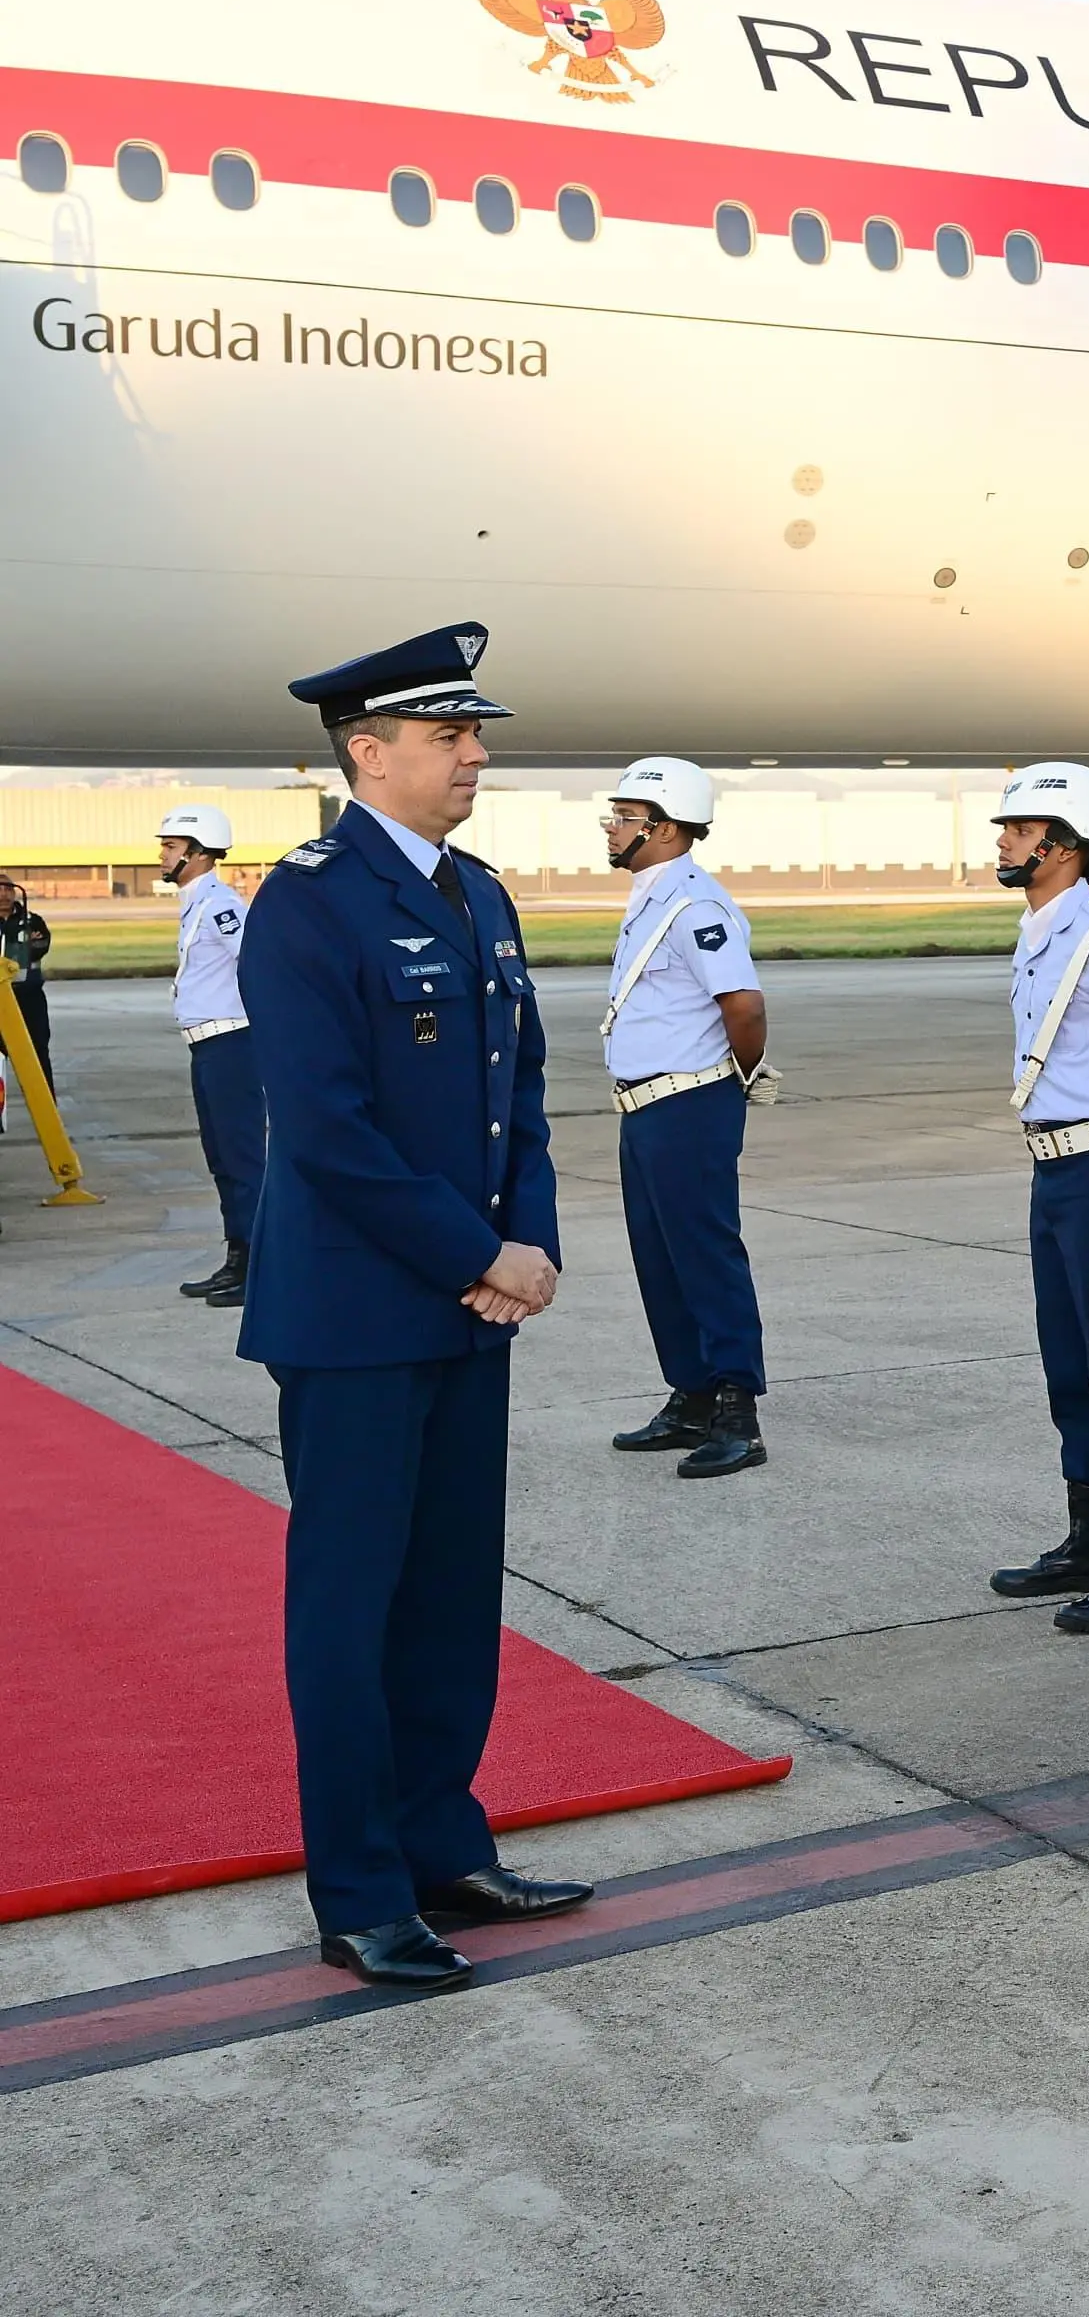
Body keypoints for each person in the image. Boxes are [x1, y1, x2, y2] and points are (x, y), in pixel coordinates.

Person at [241, 622, 587, 1990]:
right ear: (367, 751)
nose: (476, 756)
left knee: (448, 1597)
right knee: (350, 1606)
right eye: (450, 738)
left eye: (474, 735)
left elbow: (522, 1105)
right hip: (356, 1320)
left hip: (467, 1306)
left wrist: (532, 1242)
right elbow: (324, 1130)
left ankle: (443, 1842)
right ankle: (362, 1890)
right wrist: (476, 1254)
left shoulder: (480, 896)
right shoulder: (307, 902)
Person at [979, 762, 1089, 1635]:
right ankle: (1088, 1533)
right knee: (1066, 1358)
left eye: (1017, 830)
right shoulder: (1046, 927)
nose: (1003, 841)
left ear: (1062, 844)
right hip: (1052, 1169)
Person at [598, 759, 772, 1479]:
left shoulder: (695, 905)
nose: (611, 826)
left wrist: (736, 1081)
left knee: (703, 1251)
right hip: (646, 1105)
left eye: (625, 815)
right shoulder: (651, 896)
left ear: (663, 828)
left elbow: (744, 1007)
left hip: (689, 1099)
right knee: (659, 1255)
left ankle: (736, 1409)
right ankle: (692, 1394)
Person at [159, 805, 266, 1306]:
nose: (162, 854)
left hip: (230, 1045)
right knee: (222, 1157)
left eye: (171, 846)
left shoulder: (221, 905)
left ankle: (259, 1267)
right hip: (207, 1046)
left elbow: (259, 963)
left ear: (198, 854)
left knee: (242, 1157)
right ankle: (238, 1257)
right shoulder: (194, 902)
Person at [0, 875, 49, 1098]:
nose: (4, 894)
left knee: (38, 1050)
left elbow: (40, 945)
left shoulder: (32, 920)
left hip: (27, 996)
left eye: (8, 888)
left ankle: (47, 1104)